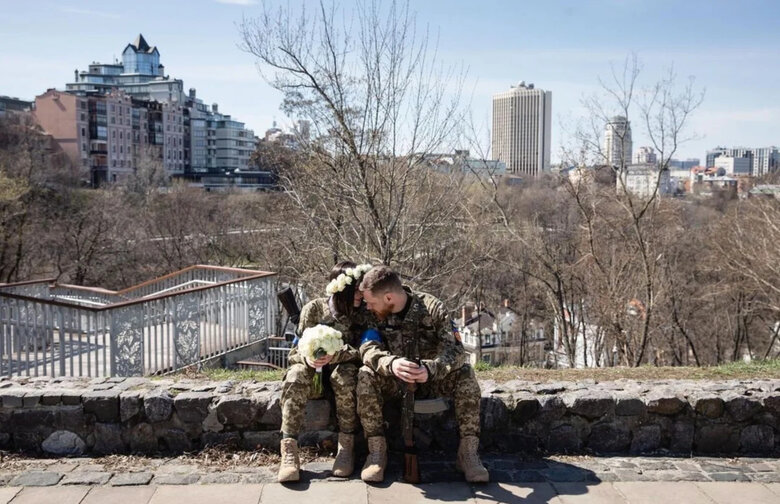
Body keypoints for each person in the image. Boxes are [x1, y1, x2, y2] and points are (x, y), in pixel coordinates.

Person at [356, 265, 489, 483]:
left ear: (389, 297)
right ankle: (376, 452)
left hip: (432, 379)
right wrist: (391, 364)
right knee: (365, 374)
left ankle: (468, 453)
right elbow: (367, 347)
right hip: (395, 380)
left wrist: (431, 369)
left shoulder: (432, 308)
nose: (368, 307)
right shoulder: (374, 314)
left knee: (466, 373)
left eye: (371, 302)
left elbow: (456, 350)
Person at [278, 261, 375, 482]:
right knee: (294, 375)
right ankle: (289, 450)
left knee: (345, 376)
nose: (361, 293)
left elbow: (367, 351)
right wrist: (308, 356)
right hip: (313, 372)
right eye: (357, 288)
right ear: (343, 289)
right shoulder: (313, 309)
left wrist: (338, 354)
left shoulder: (362, 314)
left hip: (343, 369)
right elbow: (293, 351)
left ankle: (346, 448)